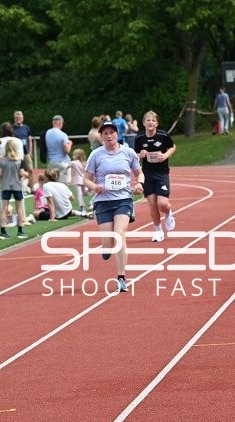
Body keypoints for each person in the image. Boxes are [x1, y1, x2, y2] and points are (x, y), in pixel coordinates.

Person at [82, 119, 144, 293]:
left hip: (123, 199)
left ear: (118, 134)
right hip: (103, 202)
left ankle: (121, 277)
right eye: (105, 133)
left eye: (112, 132)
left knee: (120, 234)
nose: (109, 136)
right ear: (101, 136)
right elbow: (85, 179)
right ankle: (106, 246)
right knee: (109, 242)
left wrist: (139, 183)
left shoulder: (128, 153)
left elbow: (139, 173)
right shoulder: (96, 155)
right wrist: (95, 187)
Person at [135, 110, 176, 243]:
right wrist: (140, 155)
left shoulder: (163, 135)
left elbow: (173, 147)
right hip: (147, 174)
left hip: (161, 173)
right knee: (152, 204)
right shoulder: (139, 138)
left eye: (153, 120)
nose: (150, 122)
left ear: (157, 123)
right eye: (148, 120)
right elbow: (135, 154)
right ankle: (158, 231)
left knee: (162, 204)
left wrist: (165, 156)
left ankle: (168, 213)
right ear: (143, 123)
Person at [0, 139, 28, 240]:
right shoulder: (19, 160)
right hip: (17, 185)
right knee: (19, 208)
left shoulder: (2, 160)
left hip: (6, 185)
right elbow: (22, 173)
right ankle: (20, 231)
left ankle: (3, 231)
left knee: (4, 209)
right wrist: (26, 174)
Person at [45, 114, 72, 184]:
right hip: (62, 163)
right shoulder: (63, 135)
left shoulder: (47, 133)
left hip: (51, 162)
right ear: (60, 123)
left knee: (52, 184)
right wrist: (70, 144)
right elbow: (67, 150)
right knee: (63, 184)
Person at [12, 110, 34, 191]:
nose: (18, 119)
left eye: (20, 117)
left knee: (30, 170)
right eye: (16, 117)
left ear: (22, 118)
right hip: (16, 154)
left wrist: (30, 151)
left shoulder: (26, 127)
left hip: (25, 153)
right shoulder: (11, 128)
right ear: (14, 119)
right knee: (18, 172)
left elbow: (29, 139)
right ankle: (17, 188)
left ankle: (32, 188)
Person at [71, 148, 89, 215]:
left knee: (79, 194)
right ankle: (90, 203)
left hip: (77, 180)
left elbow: (67, 166)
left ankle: (82, 207)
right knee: (85, 192)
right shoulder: (85, 163)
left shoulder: (74, 163)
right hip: (83, 179)